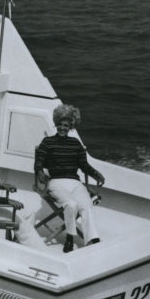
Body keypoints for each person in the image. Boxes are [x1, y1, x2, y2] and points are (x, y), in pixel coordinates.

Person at [33, 104, 105, 253]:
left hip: (75, 183)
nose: (62, 128)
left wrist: (95, 173)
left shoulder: (76, 143)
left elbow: (84, 165)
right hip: (56, 182)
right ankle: (70, 238)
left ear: (70, 126)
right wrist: (39, 171)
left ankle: (92, 239)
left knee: (86, 206)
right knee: (71, 205)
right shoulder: (47, 142)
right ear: (56, 124)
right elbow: (39, 161)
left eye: (65, 125)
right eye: (60, 124)